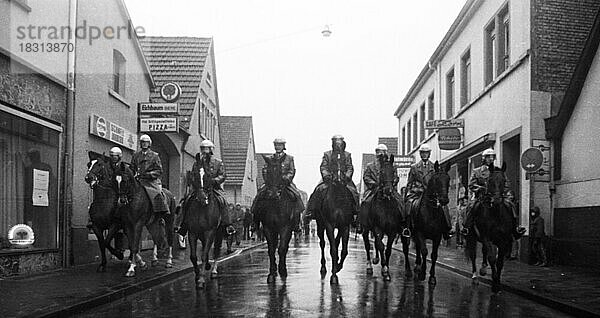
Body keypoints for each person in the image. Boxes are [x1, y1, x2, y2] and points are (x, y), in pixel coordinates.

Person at [460, 148, 526, 239]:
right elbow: (471, 185)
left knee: (511, 205)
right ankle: (466, 228)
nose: (491, 159)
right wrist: (480, 188)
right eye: (488, 157)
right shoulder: (477, 171)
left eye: (492, 157)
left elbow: (506, 183)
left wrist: (502, 191)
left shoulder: (498, 171)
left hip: (497, 196)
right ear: (484, 158)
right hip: (482, 197)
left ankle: (515, 228)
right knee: (471, 206)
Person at [175, 140, 231, 236]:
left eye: (206, 149)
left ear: (211, 150)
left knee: (223, 201)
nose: (204, 151)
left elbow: (222, 175)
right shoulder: (197, 163)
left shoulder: (218, 162)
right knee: (186, 200)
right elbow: (193, 174)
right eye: (202, 149)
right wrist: (196, 182)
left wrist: (213, 181)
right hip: (199, 188)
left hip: (214, 188)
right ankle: (182, 225)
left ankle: (227, 225)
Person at [251, 138, 305, 233]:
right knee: (259, 195)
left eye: (279, 145)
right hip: (271, 183)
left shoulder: (289, 158)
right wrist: (268, 179)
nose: (277, 147)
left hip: (285, 184)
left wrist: (286, 178)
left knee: (296, 196)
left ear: (283, 146)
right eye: (276, 145)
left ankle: (297, 223)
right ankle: (255, 222)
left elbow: (292, 171)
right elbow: (264, 170)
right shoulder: (270, 158)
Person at [405, 143, 454, 239]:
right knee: (409, 205)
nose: (424, 155)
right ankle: (407, 227)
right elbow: (410, 183)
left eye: (426, 153)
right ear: (420, 154)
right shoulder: (414, 167)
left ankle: (447, 229)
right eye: (423, 153)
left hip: (431, 193)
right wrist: (413, 190)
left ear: (429, 154)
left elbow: (438, 181)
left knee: (443, 206)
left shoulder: (434, 167)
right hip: (417, 193)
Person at [305, 134, 360, 219]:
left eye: (340, 142)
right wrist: (326, 175)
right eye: (336, 142)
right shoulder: (327, 154)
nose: (338, 144)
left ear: (343, 143)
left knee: (353, 192)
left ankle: (356, 213)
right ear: (333, 143)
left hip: (344, 180)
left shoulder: (347, 155)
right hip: (329, 179)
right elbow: (323, 166)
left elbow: (350, 167)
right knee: (318, 190)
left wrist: (347, 176)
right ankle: (311, 211)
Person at [360, 144, 404, 225]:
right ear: (376, 154)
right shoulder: (370, 166)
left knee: (400, 201)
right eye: (379, 153)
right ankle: (362, 223)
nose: (381, 155)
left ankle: (402, 225)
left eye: (383, 153)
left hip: (388, 188)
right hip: (374, 189)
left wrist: (391, 183)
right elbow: (366, 177)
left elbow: (396, 177)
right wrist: (374, 184)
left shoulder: (391, 165)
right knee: (365, 202)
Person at [131, 134, 170, 214]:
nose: (144, 144)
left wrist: (149, 174)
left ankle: (162, 212)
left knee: (158, 193)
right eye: (143, 142)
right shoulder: (136, 155)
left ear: (149, 144)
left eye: (146, 142)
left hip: (151, 181)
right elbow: (132, 167)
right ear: (140, 144)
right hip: (138, 180)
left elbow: (159, 170)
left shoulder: (155, 156)